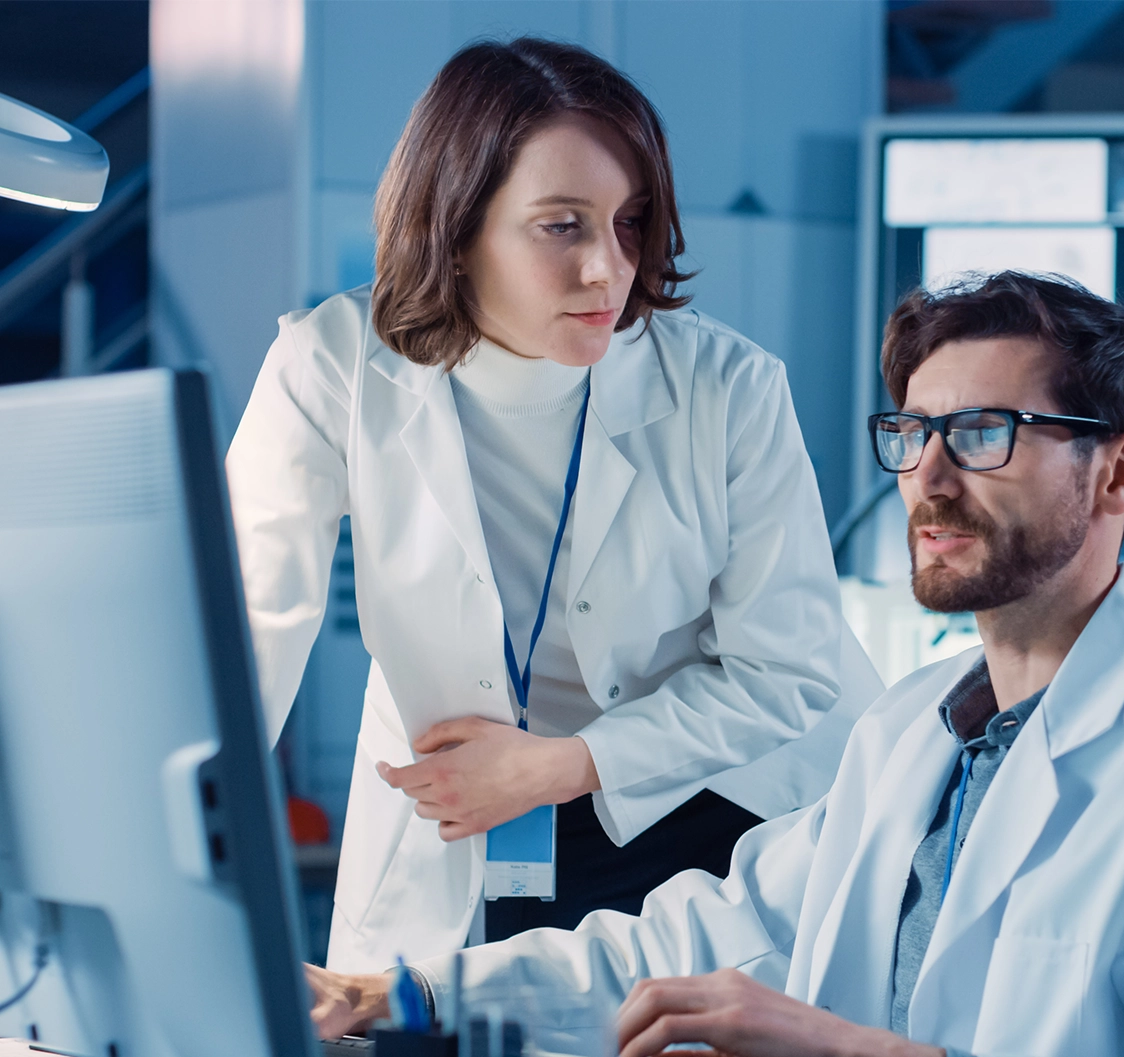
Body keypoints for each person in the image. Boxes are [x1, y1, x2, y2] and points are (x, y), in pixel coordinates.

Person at [309, 271, 1124, 1057]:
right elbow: (695, 943)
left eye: (982, 434)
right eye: (910, 434)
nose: (929, 479)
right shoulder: (906, 734)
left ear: (1122, 473)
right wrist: (397, 994)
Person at [227, 37, 881, 970]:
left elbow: (789, 672)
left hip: (714, 813)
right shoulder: (333, 366)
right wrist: (184, 875)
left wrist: (565, 764)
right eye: (562, 226)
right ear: (456, 227)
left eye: (629, 223)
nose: (608, 271)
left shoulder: (727, 386)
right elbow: (243, 634)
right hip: (463, 822)